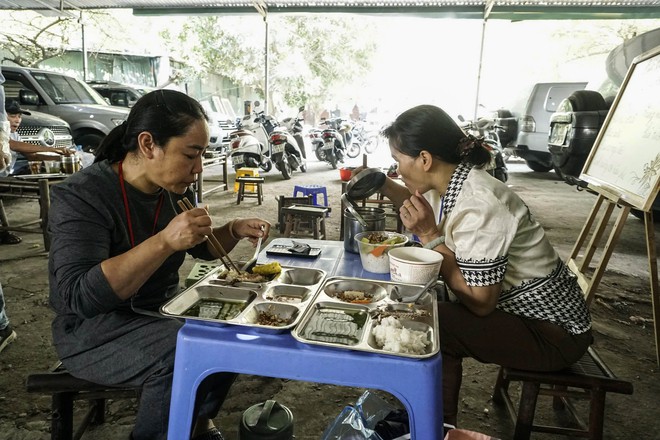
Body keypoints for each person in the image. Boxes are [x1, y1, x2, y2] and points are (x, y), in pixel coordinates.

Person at [48, 89, 271, 440]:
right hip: (93, 332)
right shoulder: (82, 196)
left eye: (202, 156)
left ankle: (196, 421)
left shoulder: (174, 190)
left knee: (230, 328)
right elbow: (79, 297)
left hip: (162, 313)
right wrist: (164, 241)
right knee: (184, 348)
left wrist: (232, 230)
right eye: (190, 154)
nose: (198, 169)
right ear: (148, 144)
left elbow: (203, 249)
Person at [377, 104, 592, 427]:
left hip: (553, 336)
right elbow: (412, 201)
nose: (398, 171)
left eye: (398, 162)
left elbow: (480, 303)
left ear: (424, 159)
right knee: (425, 306)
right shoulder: (450, 184)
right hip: (527, 320)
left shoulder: (481, 204)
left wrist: (430, 236)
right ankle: (427, 415)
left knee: (432, 323)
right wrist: (379, 182)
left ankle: (435, 426)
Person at [4, 100, 73, 176]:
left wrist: (61, 158)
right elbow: (14, 145)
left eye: (19, 116)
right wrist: (52, 149)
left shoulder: (14, 135)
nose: (17, 120)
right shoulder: (3, 135)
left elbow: (33, 156)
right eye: (13, 116)